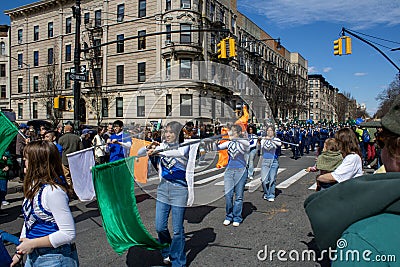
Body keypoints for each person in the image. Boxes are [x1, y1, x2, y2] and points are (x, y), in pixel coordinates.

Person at [304, 94, 400, 266]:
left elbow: (335, 177)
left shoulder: (363, 242)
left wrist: (319, 178)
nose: (379, 149)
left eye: (381, 141)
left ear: (397, 151)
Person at [10, 140, 78, 267]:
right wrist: (20, 252)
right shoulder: (33, 186)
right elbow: (28, 219)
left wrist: (32, 244)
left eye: (26, 159)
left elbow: (68, 233)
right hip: (34, 255)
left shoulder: (53, 192)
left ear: (38, 163)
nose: (24, 162)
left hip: (55, 257)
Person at [138, 121, 192, 266]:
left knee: (177, 230)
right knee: (159, 226)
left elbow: (178, 153)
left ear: (177, 134)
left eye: (171, 132)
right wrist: (149, 147)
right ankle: (167, 251)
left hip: (179, 189)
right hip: (163, 189)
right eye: (166, 132)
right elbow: (139, 153)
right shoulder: (161, 145)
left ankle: (178, 261)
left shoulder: (184, 146)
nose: (167, 135)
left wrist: (157, 151)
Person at [216, 124, 249, 226]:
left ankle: (237, 217)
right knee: (228, 195)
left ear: (238, 133)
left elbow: (247, 144)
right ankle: (229, 215)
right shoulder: (229, 143)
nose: (230, 133)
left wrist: (238, 138)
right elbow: (217, 147)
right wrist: (214, 143)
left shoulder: (243, 143)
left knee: (239, 196)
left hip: (241, 171)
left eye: (233, 132)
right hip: (229, 170)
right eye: (230, 131)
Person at [260, 125, 282, 202]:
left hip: (274, 161)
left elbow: (279, 144)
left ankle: (271, 194)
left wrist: (271, 140)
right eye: (268, 130)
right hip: (265, 161)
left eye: (271, 131)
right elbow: (262, 145)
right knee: (264, 180)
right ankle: (266, 193)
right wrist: (265, 139)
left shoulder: (277, 139)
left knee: (272, 179)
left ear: (273, 132)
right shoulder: (263, 140)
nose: (269, 132)